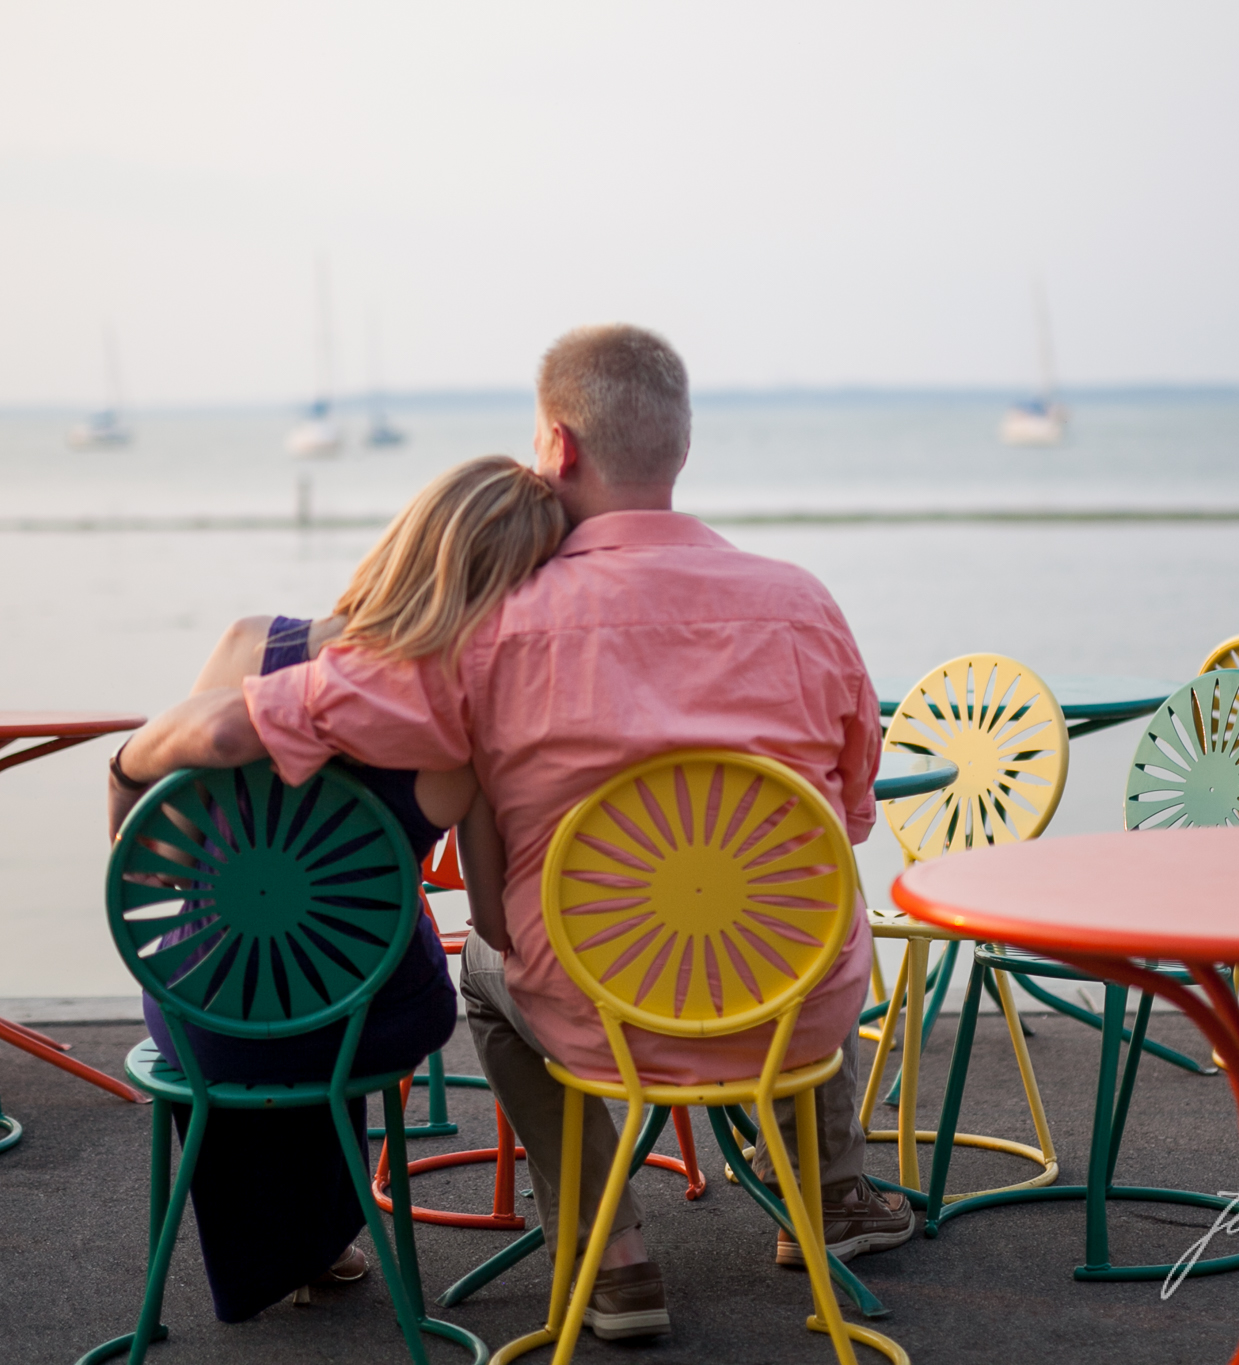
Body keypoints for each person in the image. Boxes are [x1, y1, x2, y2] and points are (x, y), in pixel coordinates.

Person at [122, 325, 909, 1343]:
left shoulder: (489, 629)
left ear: (556, 446)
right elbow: (845, 819)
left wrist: (128, 761)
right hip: (789, 1013)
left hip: (601, 1014)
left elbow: (248, 720)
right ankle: (831, 1199)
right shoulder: (804, 605)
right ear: (679, 449)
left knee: (488, 979)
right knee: (795, 913)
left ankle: (612, 1255)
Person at [106, 455, 563, 1323]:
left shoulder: (251, 646)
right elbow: (497, 923)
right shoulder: (467, 733)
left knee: (264, 952)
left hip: (201, 1009)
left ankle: (290, 1249)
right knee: (373, 951)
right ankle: (319, 1232)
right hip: (360, 1020)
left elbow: (171, 856)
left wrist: (122, 774)